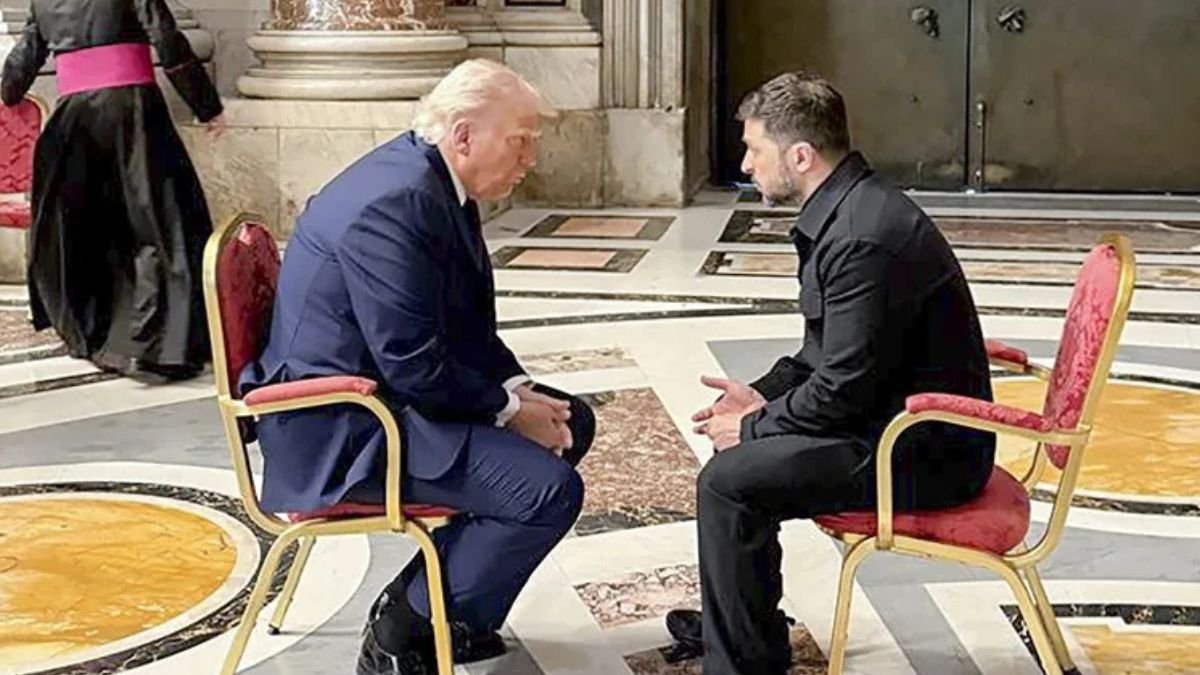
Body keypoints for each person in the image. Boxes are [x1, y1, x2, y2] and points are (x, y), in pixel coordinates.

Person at [238, 59, 595, 675]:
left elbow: (461, 325)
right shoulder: (396, 201)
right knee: (546, 492)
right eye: (521, 140)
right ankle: (404, 627)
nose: (531, 156)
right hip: (344, 427)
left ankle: (457, 611)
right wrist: (508, 411)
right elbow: (411, 360)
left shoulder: (433, 182)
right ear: (463, 135)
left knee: (573, 422)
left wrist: (516, 390)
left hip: (388, 396)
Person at [665, 72, 996, 674]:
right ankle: (743, 631)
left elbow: (842, 389)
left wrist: (755, 427)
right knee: (735, 472)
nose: (745, 163)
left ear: (800, 155)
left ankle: (741, 658)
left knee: (730, 481)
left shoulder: (862, 238)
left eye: (754, 150)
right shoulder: (849, 211)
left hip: (922, 449)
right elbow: (823, 356)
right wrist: (758, 397)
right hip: (888, 420)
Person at [1, 0, 226, 380]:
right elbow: (167, 39)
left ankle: (97, 333)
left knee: (89, 230)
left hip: (74, 118)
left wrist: (8, 92)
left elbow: (24, 60)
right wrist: (206, 105)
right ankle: (161, 343)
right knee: (157, 221)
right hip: (134, 113)